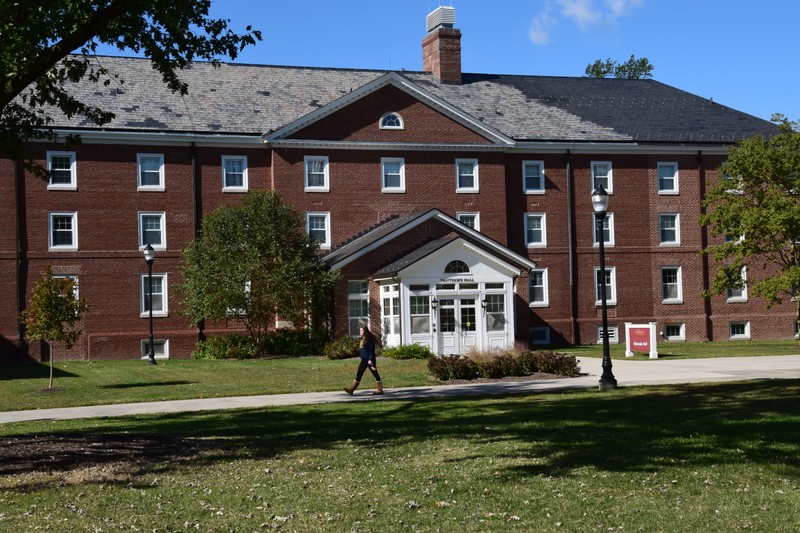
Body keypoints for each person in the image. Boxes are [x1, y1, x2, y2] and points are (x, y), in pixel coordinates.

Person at [344, 325, 384, 395]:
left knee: (375, 373)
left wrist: (370, 359)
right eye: (360, 330)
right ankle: (351, 389)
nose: (360, 332)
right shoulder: (362, 339)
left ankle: (380, 390)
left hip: (370, 360)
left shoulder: (369, 340)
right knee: (359, 373)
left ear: (365, 331)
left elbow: (371, 350)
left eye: (361, 330)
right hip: (364, 360)